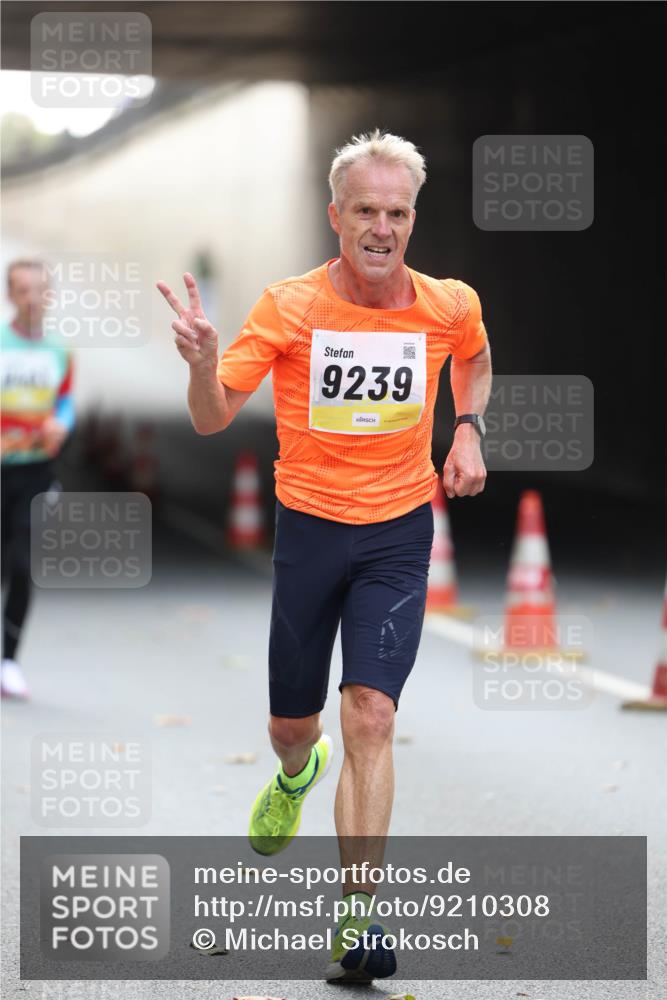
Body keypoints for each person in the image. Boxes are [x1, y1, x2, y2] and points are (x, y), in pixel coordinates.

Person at [158, 128, 491, 982]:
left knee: (371, 718)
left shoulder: (446, 302)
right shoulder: (291, 306)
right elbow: (209, 416)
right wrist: (202, 364)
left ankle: (356, 924)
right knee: (292, 727)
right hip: (309, 534)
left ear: (412, 219)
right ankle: (295, 773)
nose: (381, 229)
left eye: (398, 213)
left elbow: (475, 358)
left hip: (396, 533)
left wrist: (465, 428)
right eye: (365, 212)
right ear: (335, 215)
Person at [1, 260, 75, 699]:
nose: (31, 298)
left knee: (22, 566)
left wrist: (62, 424)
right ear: (11, 295)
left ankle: (8, 659)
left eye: (38, 291)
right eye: (22, 290)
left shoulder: (59, 352)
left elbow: (65, 402)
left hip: (34, 471)